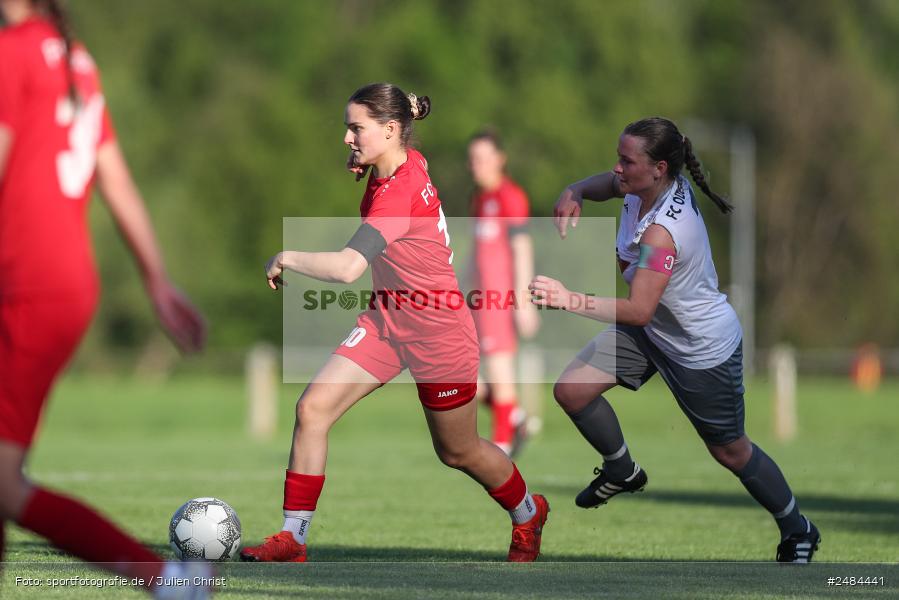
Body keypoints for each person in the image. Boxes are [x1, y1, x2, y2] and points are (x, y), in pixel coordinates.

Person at [241, 83, 549, 563]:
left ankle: (528, 513)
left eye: (355, 128)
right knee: (312, 410)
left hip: (440, 334)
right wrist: (367, 160)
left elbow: (347, 269)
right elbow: (400, 170)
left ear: (389, 130)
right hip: (387, 321)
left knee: (458, 452)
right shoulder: (404, 163)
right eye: (348, 127)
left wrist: (286, 255)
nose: (346, 137)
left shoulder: (398, 190)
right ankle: (292, 539)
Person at [529, 117, 820, 563]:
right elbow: (607, 183)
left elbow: (639, 309)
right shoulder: (639, 186)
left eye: (628, 161)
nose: (618, 168)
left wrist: (567, 299)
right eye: (620, 157)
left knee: (730, 450)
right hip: (653, 332)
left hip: (698, 348)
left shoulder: (665, 230)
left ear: (659, 168)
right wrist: (576, 189)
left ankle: (798, 529)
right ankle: (623, 470)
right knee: (572, 391)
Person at [0, 0, 210, 596]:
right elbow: (112, 174)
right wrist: (157, 278)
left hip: (29, 285)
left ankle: (169, 581)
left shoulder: (12, 51)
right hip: (59, 282)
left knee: (1, 482)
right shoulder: (74, 56)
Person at [467, 130, 539, 456]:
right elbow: (476, 251)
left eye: (482, 158)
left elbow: (522, 248)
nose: (476, 166)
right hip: (478, 299)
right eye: (472, 159)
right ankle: (518, 418)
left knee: (499, 368)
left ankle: (502, 444)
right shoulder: (480, 200)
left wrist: (523, 301)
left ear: (500, 159)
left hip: (500, 299)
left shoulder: (511, 196)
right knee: (464, 374)